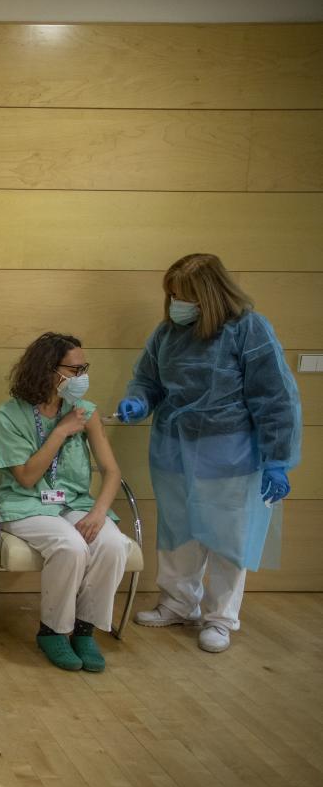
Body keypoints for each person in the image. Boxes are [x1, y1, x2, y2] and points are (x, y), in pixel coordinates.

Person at [118, 253, 301, 653]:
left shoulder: (248, 331)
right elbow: (147, 379)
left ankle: (220, 619)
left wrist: (277, 459)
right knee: (178, 531)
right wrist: (138, 401)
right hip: (173, 450)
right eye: (170, 295)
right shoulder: (166, 334)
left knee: (227, 539)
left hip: (230, 453)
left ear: (209, 295)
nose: (174, 304)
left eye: (182, 296)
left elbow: (275, 398)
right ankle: (178, 604)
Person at [0, 332, 129, 672]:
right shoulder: (9, 416)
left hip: (75, 503)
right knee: (71, 546)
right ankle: (53, 630)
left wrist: (99, 513)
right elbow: (25, 477)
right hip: (26, 503)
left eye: (85, 368)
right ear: (48, 369)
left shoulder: (85, 411)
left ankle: (85, 631)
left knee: (112, 543)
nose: (81, 377)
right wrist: (61, 431)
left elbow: (112, 472)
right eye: (74, 369)